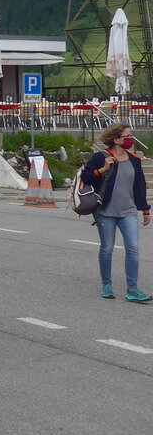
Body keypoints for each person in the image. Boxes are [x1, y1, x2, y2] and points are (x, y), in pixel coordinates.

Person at [84, 122, 152, 302]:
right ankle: (106, 284)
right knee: (107, 248)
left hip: (128, 211)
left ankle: (132, 289)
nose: (131, 139)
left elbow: (140, 187)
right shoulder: (101, 157)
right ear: (116, 139)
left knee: (133, 249)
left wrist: (145, 209)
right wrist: (102, 169)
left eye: (131, 136)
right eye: (127, 137)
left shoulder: (135, 160)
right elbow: (87, 177)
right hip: (105, 211)